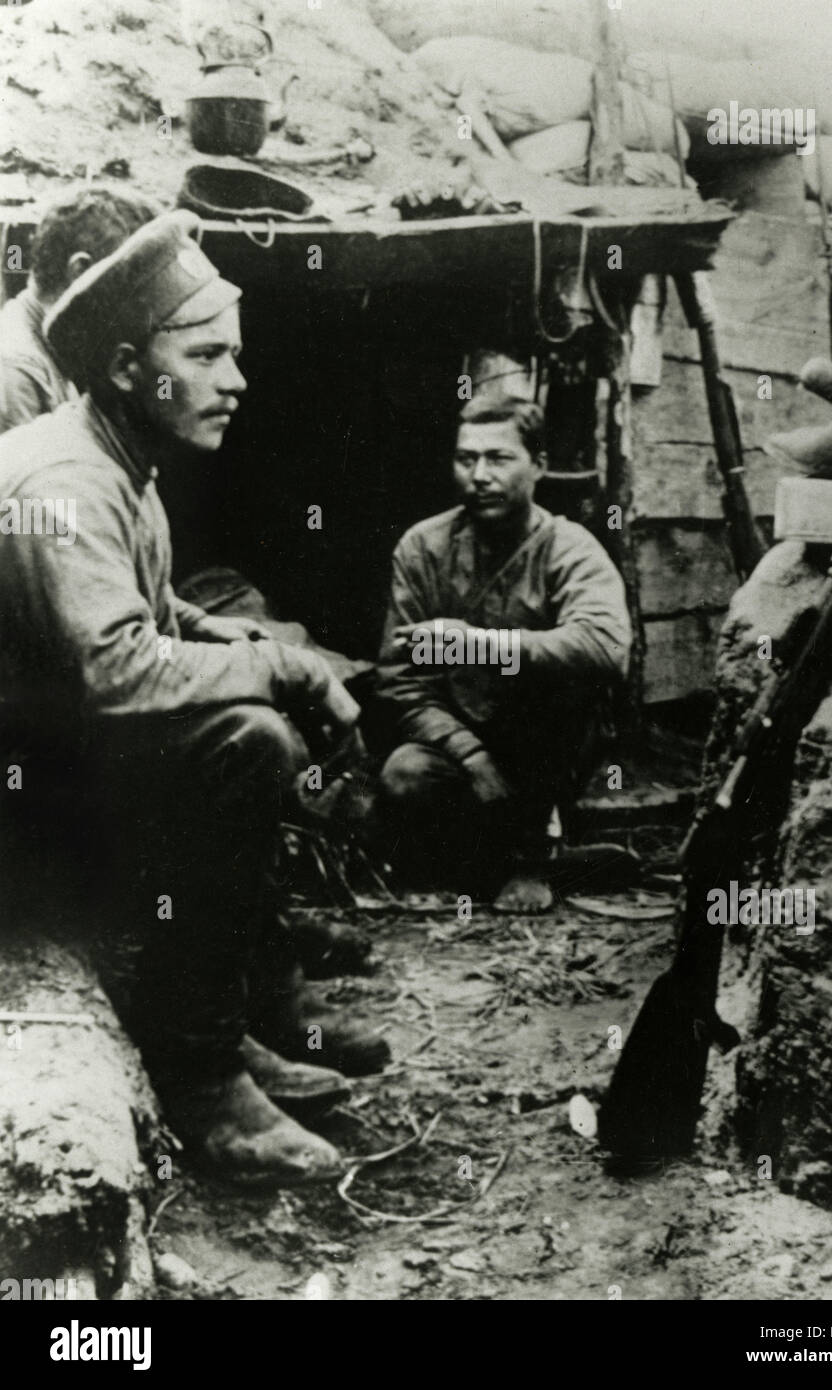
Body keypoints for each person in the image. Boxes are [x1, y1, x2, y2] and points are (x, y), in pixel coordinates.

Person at [0, 210, 387, 1186]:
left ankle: (232, 1019)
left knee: (250, 698)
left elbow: (158, 609)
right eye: (207, 354)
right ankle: (200, 1075)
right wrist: (281, 669)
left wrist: (254, 642)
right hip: (20, 812)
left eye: (236, 354)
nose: (236, 380)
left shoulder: (119, 455)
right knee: (244, 742)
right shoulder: (69, 481)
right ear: (129, 365)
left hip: (46, 762)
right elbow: (118, 668)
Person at [370, 396, 632, 912]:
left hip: (542, 743)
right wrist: (471, 755)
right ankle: (514, 864)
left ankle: (531, 854)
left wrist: (482, 645)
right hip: (457, 742)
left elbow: (606, 648)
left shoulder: (570, 548)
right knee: (403, 776)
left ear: (538, 465)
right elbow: (399, 680)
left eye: (499, 458)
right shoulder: (423, 547)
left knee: (565, 686)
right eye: (467, 459)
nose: (479, 475)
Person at [0, 185, 159, 433]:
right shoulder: (16, 371)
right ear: (81, 271)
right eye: (131, 283)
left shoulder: (49, 342)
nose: (141, 301)